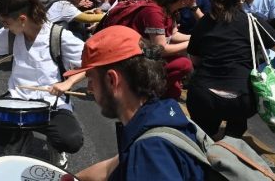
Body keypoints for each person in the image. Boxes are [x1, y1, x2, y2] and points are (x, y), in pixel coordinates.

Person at [0, 0, 86, 169]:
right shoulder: (12, 33)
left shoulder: (58, 36)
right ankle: (18, 137)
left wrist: (68, 83)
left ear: (22, 19)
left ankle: (54, 145)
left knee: (70, 141)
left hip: (51, 105)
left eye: (7, 22)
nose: (5, 26)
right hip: (16, 100)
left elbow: (91, 61)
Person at [71, 25, 206, 181]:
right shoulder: (162, 112)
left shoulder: (148, 154)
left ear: (111, 80)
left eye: (91, 79)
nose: (89, 89)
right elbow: (113, 166)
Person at [187, 0, 275, 138]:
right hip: (240, 100)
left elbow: (194, 59)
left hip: (203, 97)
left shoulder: (204, 22)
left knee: (203, 134)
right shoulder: (252, 21)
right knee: (237, 124)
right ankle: (232, 139)